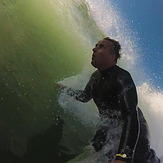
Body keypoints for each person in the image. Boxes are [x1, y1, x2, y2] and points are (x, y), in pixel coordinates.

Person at [57, 37, 160, 163]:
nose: (94, 49)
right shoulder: (95, 78)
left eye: (101, 47)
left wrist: (124, 156)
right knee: (95, 151)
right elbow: (85, 97)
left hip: (135, 125)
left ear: (112, 56)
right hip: (109, 126)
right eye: (96, 45)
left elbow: (130, 115)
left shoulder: (122, 78)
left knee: (140, 158)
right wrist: (67, 90)